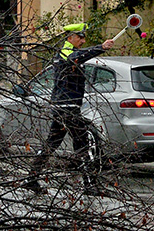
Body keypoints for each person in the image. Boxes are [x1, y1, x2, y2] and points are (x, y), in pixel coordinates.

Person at [25, 23, 114, 195]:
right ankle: (89, 185)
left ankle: (31, 178)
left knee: (51, 144)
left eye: (83, 37)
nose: (83, 40)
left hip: (63, 107)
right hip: (67, 107)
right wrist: (101, 47)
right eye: (80, 37)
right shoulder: (66, 53)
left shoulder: (66, 53)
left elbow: (79, 55)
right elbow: (78, 56)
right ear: (70, 37)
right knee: (82, 144)